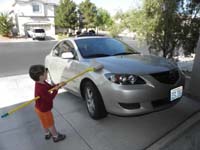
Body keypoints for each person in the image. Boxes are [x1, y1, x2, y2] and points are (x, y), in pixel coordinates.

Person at [29, 64, 66, 143]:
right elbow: (49, 98)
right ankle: (55, 136)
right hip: (44, 110)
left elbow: (50, 88)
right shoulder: (40, 88)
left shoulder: (42, 82)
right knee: (50, 123)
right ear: (41, 76)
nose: (47, 74)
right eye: (46, 73)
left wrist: (58, 85)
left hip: (39, 107)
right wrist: (56, 90)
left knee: (44, 122)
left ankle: (47, 133)